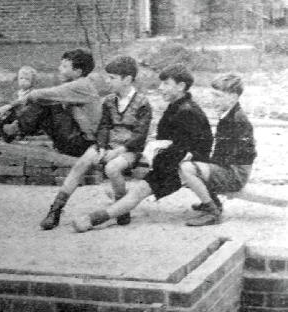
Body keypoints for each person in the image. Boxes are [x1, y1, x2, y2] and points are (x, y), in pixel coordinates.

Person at [73, 63, 213, 232]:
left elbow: (190, 147)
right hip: (176, 162)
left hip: (184, 166)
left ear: (181, 86)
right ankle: (98, 216)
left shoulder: (186, 111)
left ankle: (92, 220)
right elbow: (173, 142)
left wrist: (157, 164)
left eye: (166, 84)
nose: (160, 88)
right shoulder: (178, 106)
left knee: (138, 192)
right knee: (138, 190)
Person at [39, 56, 152, 230]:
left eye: (112, 78)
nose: (108, 81)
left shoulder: (143, 103)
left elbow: (140, 134)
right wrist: (101, 146)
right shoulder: (109, 101)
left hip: (130, 149)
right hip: (108, 145)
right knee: (81, 163)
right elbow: (104, 126)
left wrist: (119, 150)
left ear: (127, 80)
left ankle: (121, 209)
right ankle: (55, 210)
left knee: (112, 168)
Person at [179, 73, 256, 226]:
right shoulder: (228, 114)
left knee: (187, 169)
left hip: (235, 174)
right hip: (228, 167)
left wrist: (203, 164)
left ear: (233, 97)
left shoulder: (238, 120)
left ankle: (213, 211)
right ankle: (211, 201)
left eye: (218, 96)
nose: (213, 100)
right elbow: (220, 151)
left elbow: (246, 153)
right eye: (213, 95)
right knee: (187, 162)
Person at [2, 49, 102, 157]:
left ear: (78, 72)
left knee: (47, 103)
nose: (59, 69)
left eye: (64, 66)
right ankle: (12, 128)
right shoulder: (83, 84)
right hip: (81, 140)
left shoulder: (80, 85)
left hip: (82, 145)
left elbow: (38, 94)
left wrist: (10, 106)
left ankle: (11, 128)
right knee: (48, 102)